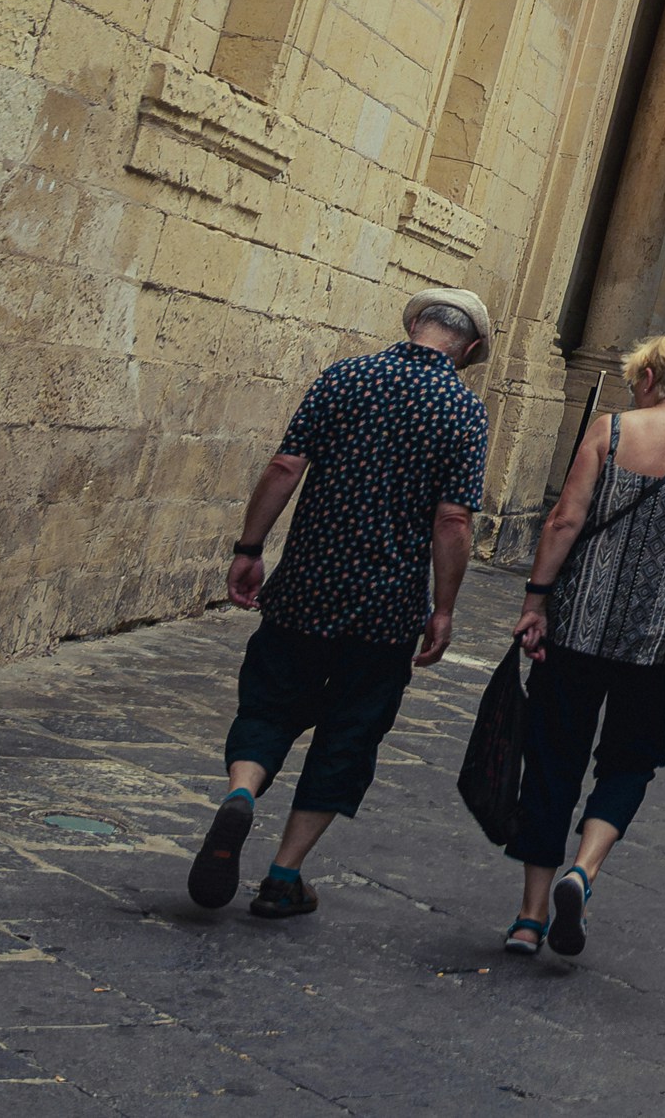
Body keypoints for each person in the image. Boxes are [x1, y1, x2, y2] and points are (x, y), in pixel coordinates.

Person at [188, 288, 490, 921]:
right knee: (349, 736)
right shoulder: (463, 409)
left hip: (306, 586)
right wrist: (443, 608)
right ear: (472, 351)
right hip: (386, 608)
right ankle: (283, 876)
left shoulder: (344, 376)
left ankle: (242, 792)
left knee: (269, 703)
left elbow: (283, 467)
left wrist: (249, 547)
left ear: (412, 323)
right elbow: (453, 520)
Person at [501, 331, 665, 959]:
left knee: (552, 756)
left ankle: (529, 917)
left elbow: (565, 520)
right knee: (630, 761)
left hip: (578, 626)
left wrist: (534, 601)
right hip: (658, 643)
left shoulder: (609, 433)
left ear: (650, 376)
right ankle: (584, 869)